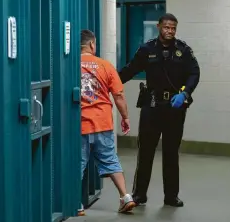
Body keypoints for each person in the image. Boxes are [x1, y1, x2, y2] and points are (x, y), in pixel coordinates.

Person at [118, 13, 200, 207]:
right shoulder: (147, 49)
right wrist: (111, 82)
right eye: (166, 27)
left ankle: (171, 196)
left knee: (171, 152)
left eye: (173, 28)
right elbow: (130, 69)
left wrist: (185, 93)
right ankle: (140, 195)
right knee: (145, 151)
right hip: (151, 106)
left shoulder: (183, 50)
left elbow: (194, 73)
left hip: (175, 107)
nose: (170, 31)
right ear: (159, 26)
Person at [78, 29, 136, 216]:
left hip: (80, 125)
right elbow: (118, 95)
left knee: (78, 163)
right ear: (92, 44)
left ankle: (76, 204)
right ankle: (125, 196)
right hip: (103, 122)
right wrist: (125, 117)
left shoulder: (70, 66)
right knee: (111, 160)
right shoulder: (105, 65)